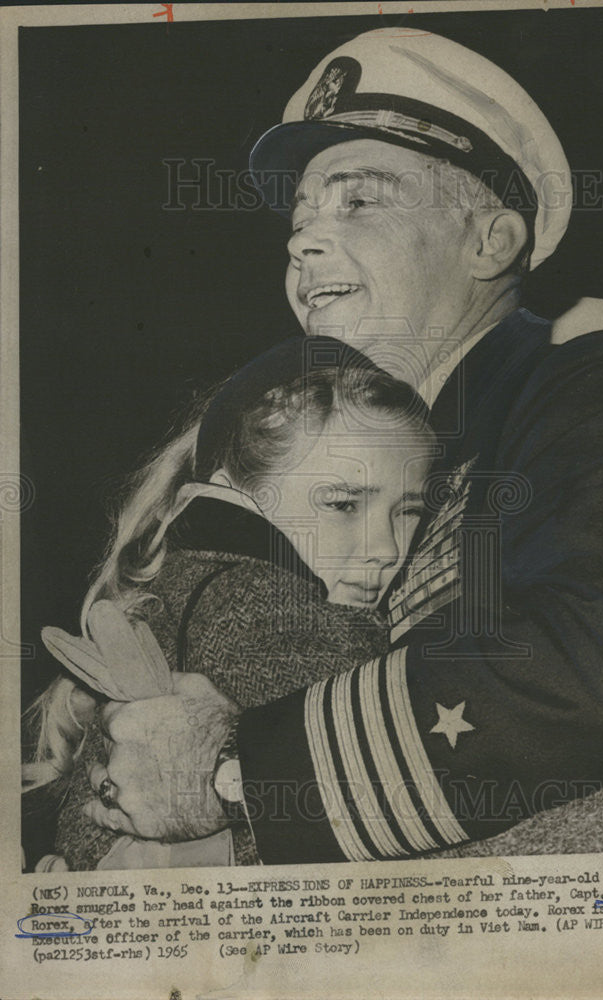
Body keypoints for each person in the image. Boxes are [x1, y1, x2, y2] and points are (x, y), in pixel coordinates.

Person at [85, 28, 603, 863]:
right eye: (300, 219)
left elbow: (602, 676)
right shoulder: (379, 445)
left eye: (358, 201)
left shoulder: (593, 381)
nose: (302, 241)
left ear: (491, 242)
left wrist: (237, 775)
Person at [25, 335, 434, 869]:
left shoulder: (188, 586)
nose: (385, 551)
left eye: (407, 512)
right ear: (236, 493)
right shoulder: (279, 611)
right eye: (342, 504)